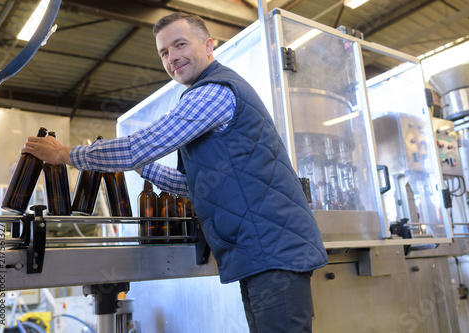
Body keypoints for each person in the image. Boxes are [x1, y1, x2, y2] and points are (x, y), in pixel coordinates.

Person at [22, 12, 328, 332]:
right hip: (260, 253)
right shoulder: (207, 92)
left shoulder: (215, 91)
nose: (172, 57)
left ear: (209, 45)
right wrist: (145, 167)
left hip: (273, 251)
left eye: (180, 44)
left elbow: (142, 144)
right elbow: (193, 186)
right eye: (164, 52)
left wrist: (65, 154)